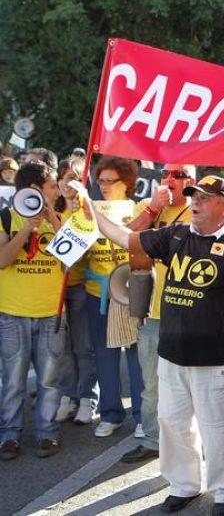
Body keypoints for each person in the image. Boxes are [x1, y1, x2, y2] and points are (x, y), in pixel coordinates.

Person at [89, 174, 224, 515]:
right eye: (194, 196)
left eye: (204, 198)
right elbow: (125, 238)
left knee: (219, 430)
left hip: (216, 356)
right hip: (171, 353)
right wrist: (88, 208)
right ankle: (183, 486)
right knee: (173, 424)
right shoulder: (176, 234)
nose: (195, 202)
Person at [119, 164, 195, 464]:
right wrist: (153, 209)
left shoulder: (197, 209)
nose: (170, 179)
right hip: (153, 310)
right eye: (166, 174)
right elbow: (125, 238)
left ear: (190, 181)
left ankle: (189, 441)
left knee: (188, 383)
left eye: (178, 175)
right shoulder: (147, 206)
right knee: (152, 383)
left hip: (187, 310)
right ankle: (152, 440)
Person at [0, 162, 65, 460]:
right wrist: (27, 228)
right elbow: (3, 260)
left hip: (51, 312)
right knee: (13, 380)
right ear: (35, 189)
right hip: (13, 313)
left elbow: (71, 260)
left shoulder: (59, 219)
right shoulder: (5, 217)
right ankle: (9, 436)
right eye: (52, 186)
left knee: (49, 380)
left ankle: (47, 433)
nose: (57, 191)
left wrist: (53, 221)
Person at [84, 156, 145, 438]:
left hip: (132, 292)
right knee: (104, 355)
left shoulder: (140, 209)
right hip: (97, 293)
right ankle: (110, 413)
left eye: (110, 180)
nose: (104, 186)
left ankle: (142, 415)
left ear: (127, 182)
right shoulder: (87, 211)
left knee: (136, 355)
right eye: (100, 181)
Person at [53, 155, 98, 426]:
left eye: (72, 178)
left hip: (80, 288)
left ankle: (87, 398)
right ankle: (67, 396)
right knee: (62, 349)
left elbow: (76, 252)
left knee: (83, 347)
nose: (65, 182)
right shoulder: (52, 210)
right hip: (54, 291)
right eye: (62, 178)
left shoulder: (88, 213)